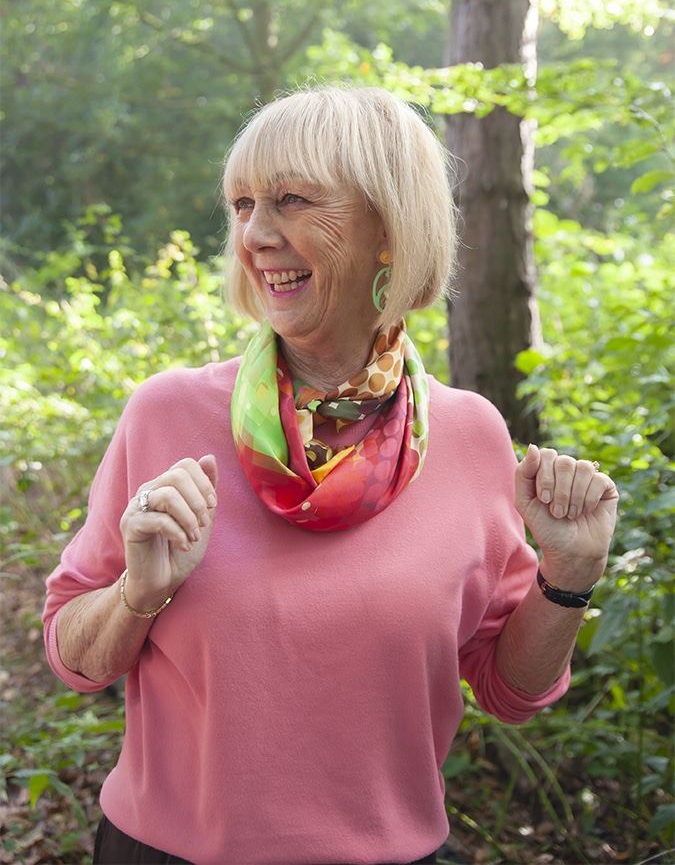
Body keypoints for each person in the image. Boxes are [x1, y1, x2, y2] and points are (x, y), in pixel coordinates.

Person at [43, 85, 619, 865]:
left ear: (388, 227)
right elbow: (73, 655)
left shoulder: (471, 435)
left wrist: (570, 574)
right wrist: (136, 596)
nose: (253, 235)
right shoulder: (166, 414)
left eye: (290, 201)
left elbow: (507, 689)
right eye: (241, 204)